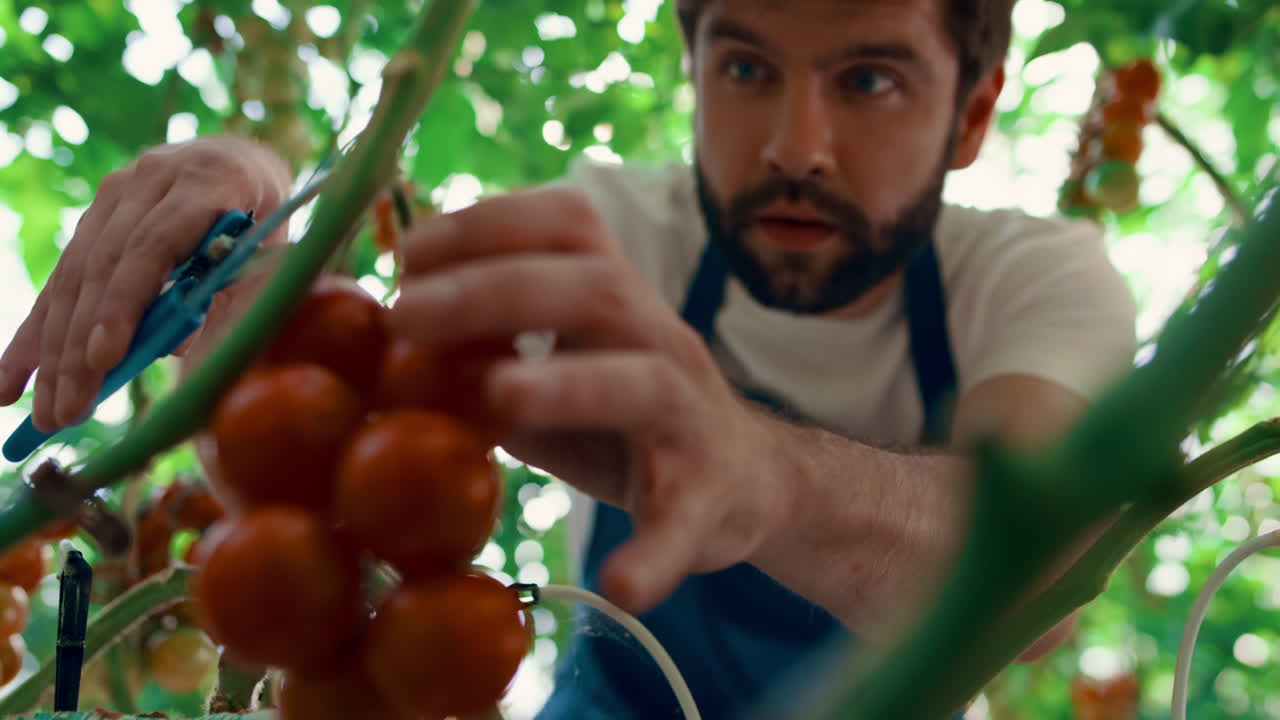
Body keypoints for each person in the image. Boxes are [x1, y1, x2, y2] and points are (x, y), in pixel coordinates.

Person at [0, 0, 1137, 717]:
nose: (797, 145)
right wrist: (253, 228)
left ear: (974, 109)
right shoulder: (604, 229)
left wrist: (769, 476)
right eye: (744, 68)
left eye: (868, 80)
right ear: (693, 71)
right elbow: (338, 408)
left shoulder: (1034, 280)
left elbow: (1036, 568)